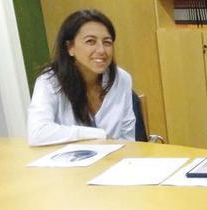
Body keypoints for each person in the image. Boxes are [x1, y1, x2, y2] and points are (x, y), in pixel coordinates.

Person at [28, 9, 135, 146]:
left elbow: (128, 137)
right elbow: (37, 133)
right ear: (70, 48)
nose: (101, 50)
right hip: (69, 164)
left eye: (107, 42)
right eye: (91, 41)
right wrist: (99, 135)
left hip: (115, 162)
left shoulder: (122, 79)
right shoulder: (49, 82)